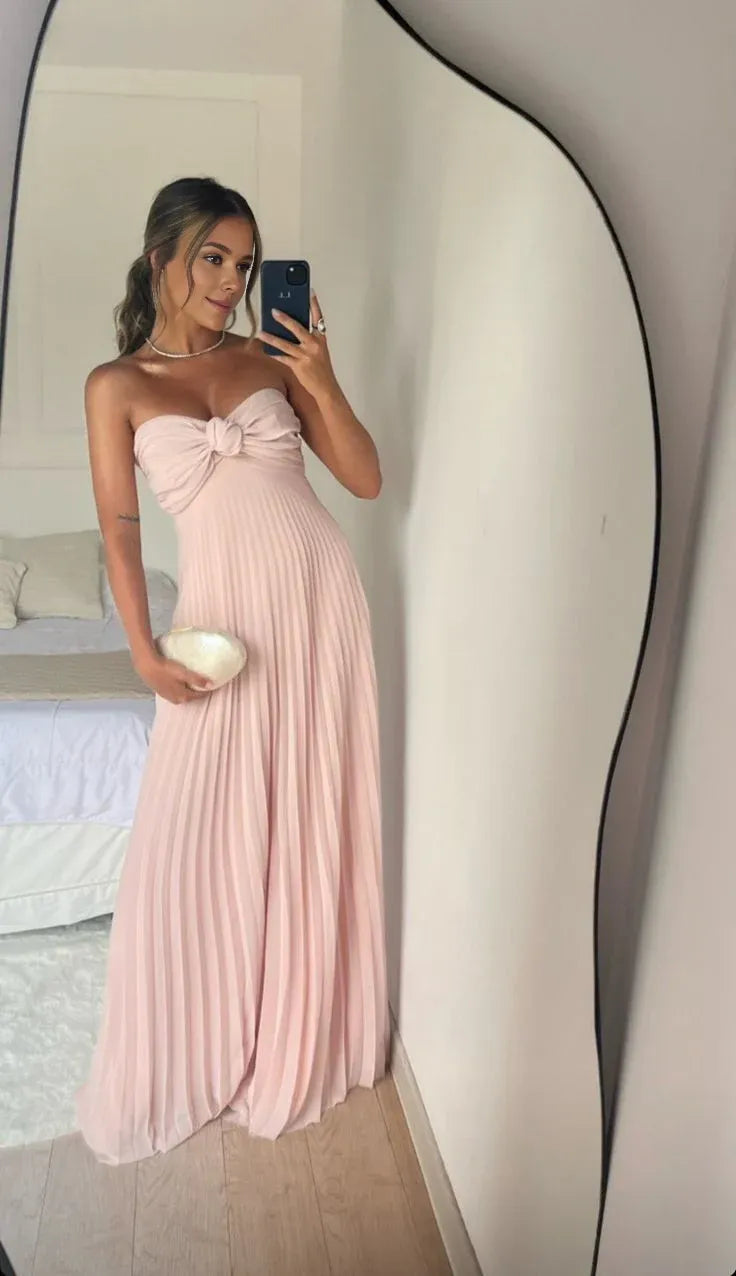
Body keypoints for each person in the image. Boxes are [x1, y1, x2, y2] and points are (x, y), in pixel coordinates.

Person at [75, 176, 390, 1163]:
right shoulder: (117, 386)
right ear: (162, 258)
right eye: (213, 258)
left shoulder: (270, 357)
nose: (231, 281)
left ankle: (295, 1019)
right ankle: (193, 1039)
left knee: (305, 810)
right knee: (189, 835)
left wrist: (322, 377)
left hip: (318, 605)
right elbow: (121, 535)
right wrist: (143, 650)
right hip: (220, 625)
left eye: (245, 264)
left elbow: (365, 479)